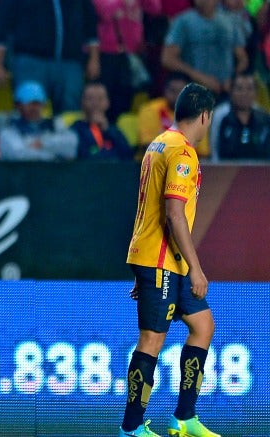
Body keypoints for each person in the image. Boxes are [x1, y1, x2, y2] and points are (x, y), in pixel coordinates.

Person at [120, 82, 219, 437]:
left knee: (203, 325)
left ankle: (184, 418)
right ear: (205, 115)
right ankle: (131, 428)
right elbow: (173, 213)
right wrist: (196, 267)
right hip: (164, 261)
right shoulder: (182, 152)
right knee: (151, 340)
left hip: (160, 259)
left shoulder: (158, 142)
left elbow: (146, 205)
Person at [0, 0, 100, 114]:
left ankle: (67, 133)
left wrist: (94, 59)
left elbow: (91, 24)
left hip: (70, 63)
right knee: (30, 108)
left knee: (71, 112)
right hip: (31, 62)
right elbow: (1, 25)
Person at [161, 0, 248, 98]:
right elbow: (168, 59)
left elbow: (242, 58)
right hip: (194, 92)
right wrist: (199, 77)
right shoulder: (183, 21)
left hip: (226, 91)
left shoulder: (231, 21)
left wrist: (232, 80)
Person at [0, 80, 78, 161]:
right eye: (30, 104)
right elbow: (18, 155)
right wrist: (52, 156)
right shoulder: (9, 129)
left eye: (37, 103)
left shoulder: (55, 124)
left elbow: (71, 145)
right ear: (18, 105)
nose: (34, 108)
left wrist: (43, 144)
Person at [137, 73, 209, 157]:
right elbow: (148, 147)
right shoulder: (150, 110)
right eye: (172, 91)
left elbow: (203, 154)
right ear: (165, 90)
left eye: (181, 92)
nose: (177, 96)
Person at [210, 71, 270, 161]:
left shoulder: (263, 118)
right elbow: (215, 150)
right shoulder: (220, 115)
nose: (244, 93)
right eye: (239, 88)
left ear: (256, 92)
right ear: (231, 91)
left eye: (249, 89)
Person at [71, 81, 135, 160]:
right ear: (82, 102)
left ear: (107, 103)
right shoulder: (75, 130)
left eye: (100, 99)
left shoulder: (115, 131)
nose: (95, 103)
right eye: (90, 99)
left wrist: (108, 130)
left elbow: (128, 157)